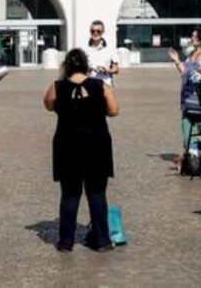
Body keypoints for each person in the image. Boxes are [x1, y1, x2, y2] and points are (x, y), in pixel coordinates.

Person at [43, 48, 119, 253]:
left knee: (69, 194)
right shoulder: (100, 85)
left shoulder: (57, 87)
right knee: (97, 193)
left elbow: (48, 106)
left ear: (66, 66)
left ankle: (66, 241)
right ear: (86, 65)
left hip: (68, 144)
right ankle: (102, 239)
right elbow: (114, 110)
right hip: (97, 144)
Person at [168, 28, 201, 163]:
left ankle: (197, 157)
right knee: (186, 126)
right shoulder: (191, 54)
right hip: (187, 97)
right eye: (192, 36)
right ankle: (189, 154)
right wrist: (177, 60)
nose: (192, 38)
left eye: (194, 36)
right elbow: (184, 72)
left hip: (199, 98)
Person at [85, 20, 119, 86]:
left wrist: (107, 70)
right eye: (93, 31)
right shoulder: (85, 49)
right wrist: (89, 68)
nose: (95, 33)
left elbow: (116, 69)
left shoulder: (110, 49)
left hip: (106, 84)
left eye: (98, 31)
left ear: (103, 32)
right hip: (90, 84)